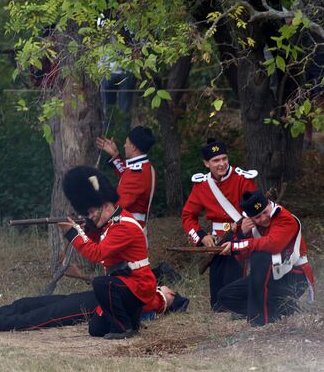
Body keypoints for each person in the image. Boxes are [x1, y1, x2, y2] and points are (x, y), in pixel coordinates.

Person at [56, 166, 161, 339]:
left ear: (105, 206)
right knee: (96, 329)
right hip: (125, 284)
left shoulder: (122, 226)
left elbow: (97, 253)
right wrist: (87, 229)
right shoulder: (111, 224)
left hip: (138, 286)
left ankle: (124, 328)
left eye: (91, 212)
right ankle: (130, 320)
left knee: (101, 283)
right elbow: (100, 242)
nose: (89, 216)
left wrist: (73, 233)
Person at [216, 190, 315, 326]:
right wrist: (242, 235)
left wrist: (238, 245)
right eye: (257, 217)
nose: (263, 219)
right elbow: (241, 257)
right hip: (268, 277)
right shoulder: (249, 226)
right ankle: (280, 311)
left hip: (293, 277)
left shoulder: (285, 218)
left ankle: (260, 319)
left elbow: (273, 245)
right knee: (225, 296)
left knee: (259, 255)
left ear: (269, 204)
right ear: (250, 218)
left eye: (265, 212)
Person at [96, 126, 181, 284]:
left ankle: (161, 276)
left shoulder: (138, 172)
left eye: (126, 143)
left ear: (134, 147)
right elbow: (126, 175)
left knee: (124, 278)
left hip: (128, 231)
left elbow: (119, 204)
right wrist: (115, 156)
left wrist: (97, 212)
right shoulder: (141, 167)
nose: (124, 145)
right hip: (132, 228)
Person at [181, 138, 259, 310]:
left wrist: (239, 228)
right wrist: (202, 237)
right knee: (217, 301)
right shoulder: (201, 185)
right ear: (206, 163)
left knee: (234, 285)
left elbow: (255, 210)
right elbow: (188, 216)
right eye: (216, 160)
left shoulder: (243, 179)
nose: (221, 164)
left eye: (224, 158)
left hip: (240, 236)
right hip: (216, 240)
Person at [0, 285, 188, 331]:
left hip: (97, 305)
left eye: (170, 291)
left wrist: (161, 295)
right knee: (32, 303)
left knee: (44, 316)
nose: (167, 288)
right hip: (95, 294)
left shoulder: (157, 303)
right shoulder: (152, 292)